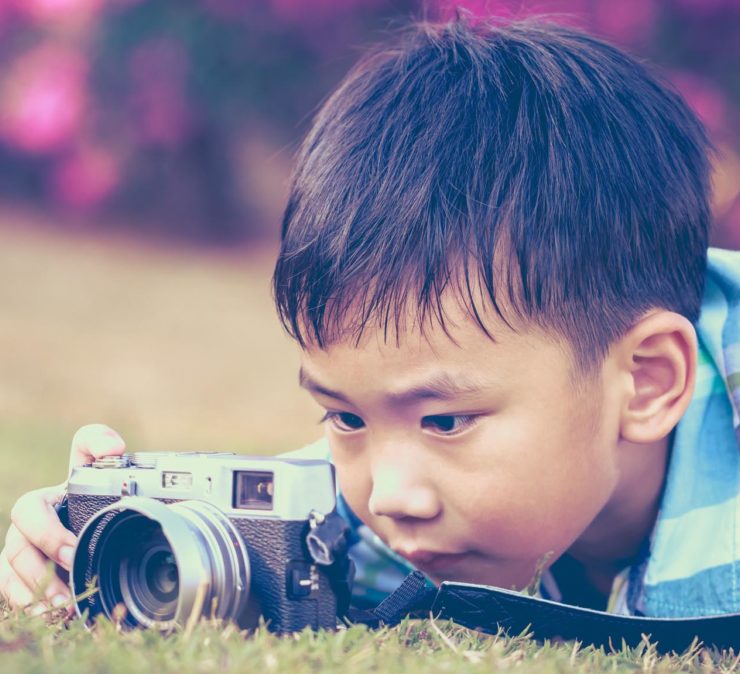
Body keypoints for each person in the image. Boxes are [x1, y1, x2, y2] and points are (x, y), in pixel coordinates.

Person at [2, 18, 738, 619]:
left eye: (445, 423)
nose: (389, 497)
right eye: (345, 418)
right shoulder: (376, 501)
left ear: (645, 382)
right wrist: (85, 544)